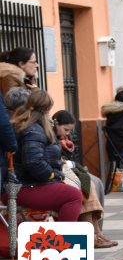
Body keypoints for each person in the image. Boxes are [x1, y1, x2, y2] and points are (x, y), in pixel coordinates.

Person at [4, 90, 82, 221]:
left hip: (22, 185)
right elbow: (33, 162)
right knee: (73, 196)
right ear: (46, 111)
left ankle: (69, 236)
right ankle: (63, 239)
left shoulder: (30, 127)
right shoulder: (34, 129)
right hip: (21, 187)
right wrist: (52, 174)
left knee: (73, 190)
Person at [52, 110, 118, 248]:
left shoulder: (65, 141)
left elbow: (72, 160)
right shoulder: (49, 137)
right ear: (56, 123)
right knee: (87, 183)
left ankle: (97, 231)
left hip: (67, 170)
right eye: (65, 129)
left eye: (69, 130)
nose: (67, 133)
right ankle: (93, 234)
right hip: (57, 174)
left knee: (97, 182)